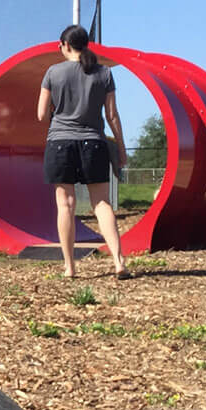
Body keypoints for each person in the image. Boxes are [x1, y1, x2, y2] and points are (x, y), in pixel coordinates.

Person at [38, 25, 129, 280]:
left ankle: (70, 267)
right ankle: (119, 261)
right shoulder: (105, 73)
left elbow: (41, 114)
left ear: (64, 45)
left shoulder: (53, 72)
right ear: (86, 45)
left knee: (65, 205)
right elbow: (112, 115)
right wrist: (120, 148)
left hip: (60, 143)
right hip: (94, 143)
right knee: (101, 204)